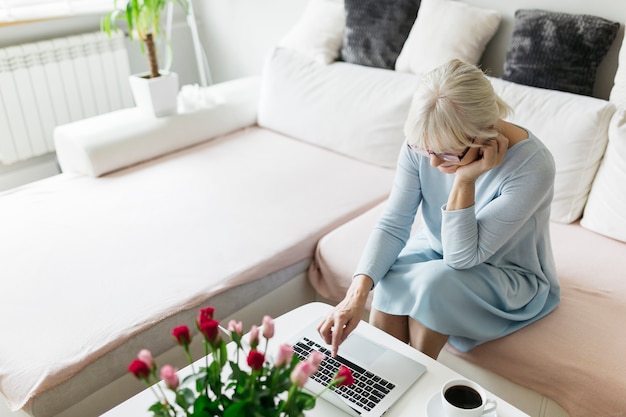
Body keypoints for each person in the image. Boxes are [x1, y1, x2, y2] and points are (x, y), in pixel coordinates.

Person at [317, 59, 560, 360]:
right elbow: (394, 222)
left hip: (505, 272)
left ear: (484, 133)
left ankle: (413, 382)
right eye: (425, 150)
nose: (432, 162)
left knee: (434, 286)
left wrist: (465, 179)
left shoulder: (533, 166)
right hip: (437, 249)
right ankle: (374, 387)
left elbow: (461, 258)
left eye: (446, 153)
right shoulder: (427, 140)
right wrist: (354, 296)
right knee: (389, 276)